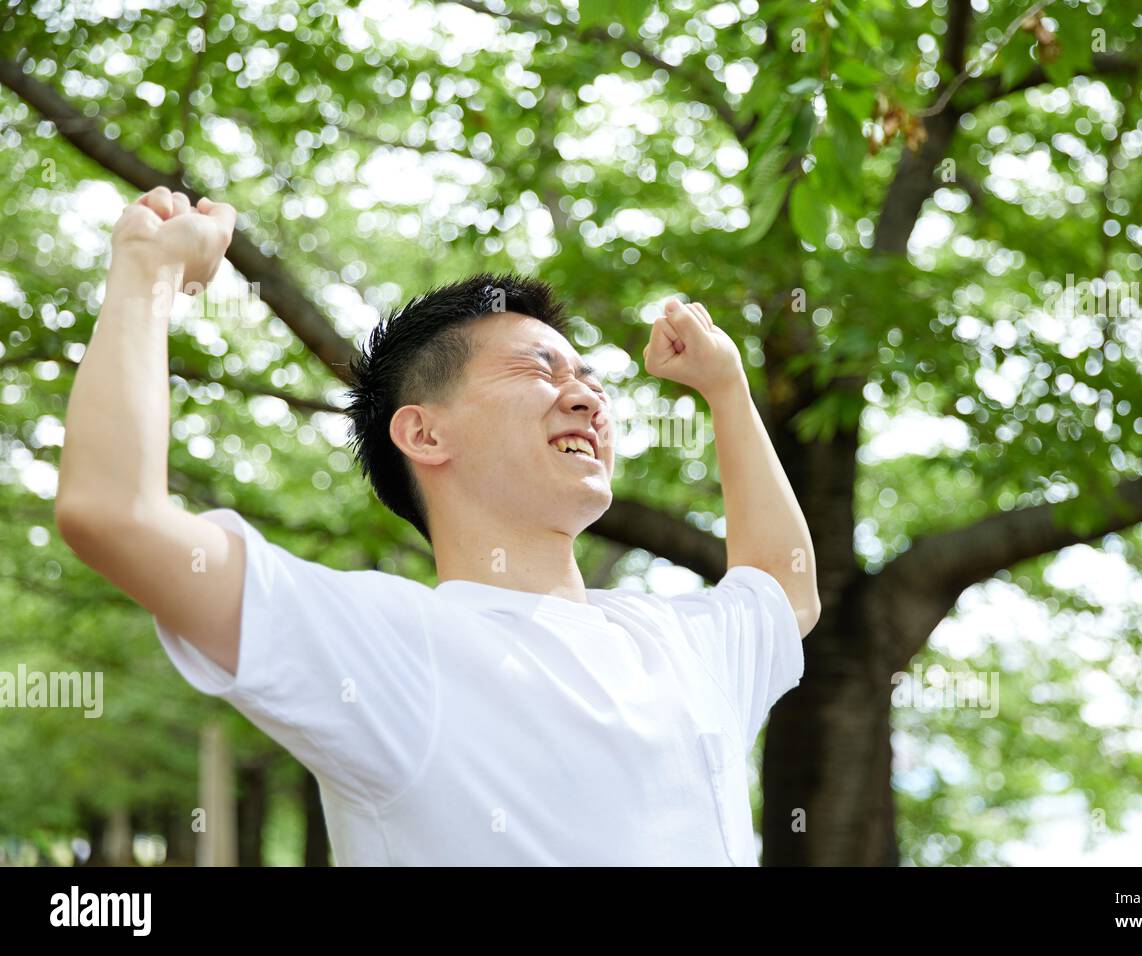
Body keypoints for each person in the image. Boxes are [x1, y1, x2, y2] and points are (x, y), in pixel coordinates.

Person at [56, 186, 820, 866]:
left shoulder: (675, 641)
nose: (587, 397)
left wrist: (726, 389)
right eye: (539, 371)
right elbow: (114, 513)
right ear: (424, 435)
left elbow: (785, 592)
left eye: (590, 380)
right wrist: (147, 275)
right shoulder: (393, 649)